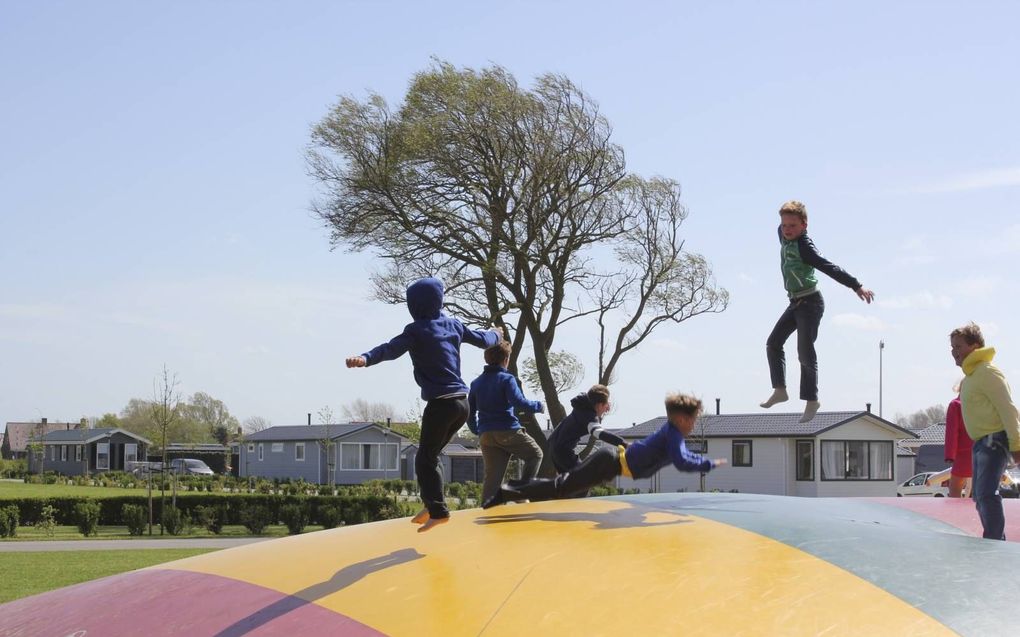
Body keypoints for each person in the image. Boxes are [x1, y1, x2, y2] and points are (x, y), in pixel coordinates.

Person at [346, 277, 499, 532]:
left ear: (413, 306)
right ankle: (431, 503)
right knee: (432, 454)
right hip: (462, 404)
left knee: (424, 459)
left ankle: (439, 512)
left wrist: (365, 358)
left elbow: (390, 349)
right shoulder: (454, 325)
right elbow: (484, 340)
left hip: (440, 405)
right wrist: (497, 333)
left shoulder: (415, 331)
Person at [484, 393, 727, 507]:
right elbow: (682, 461)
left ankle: (511, 491)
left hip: (609, 464)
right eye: (693, 419)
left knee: (565, 487)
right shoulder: (673, 436)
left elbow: (685, 455)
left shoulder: (673, 434)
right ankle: (508, 492)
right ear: (681, 419)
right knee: (561, 488)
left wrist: (704, 460)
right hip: (607, 461)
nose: (694, 424)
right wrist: (708, 465)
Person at [759, 200, 875, 423]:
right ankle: (780, 389)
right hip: (794, 303)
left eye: (792, 226)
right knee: (773, 343)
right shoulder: (782, 234)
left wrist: (856, 285)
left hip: (811, 303)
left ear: (804, 226)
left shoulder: (805, 247)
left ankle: (812, 399)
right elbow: (785, 220)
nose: (787, 230)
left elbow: (828, 267)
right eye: (784, 225)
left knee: (804, 350)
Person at [950, 322, 1020, 540]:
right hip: (980, 442)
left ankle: (995, 540)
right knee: (979, 496)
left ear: (975, 346)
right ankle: (994, 537)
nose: (954, 351)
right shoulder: (970, 377)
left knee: (987, 494)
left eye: (959, 346)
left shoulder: (988, 372)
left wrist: (1017, 445)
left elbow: (1008, 408)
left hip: (994, 440)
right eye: (952, 347)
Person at [467, 341, 545, 505]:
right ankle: (521, 492)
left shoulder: (476, 383)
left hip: (486, 435)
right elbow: (519, 402)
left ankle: (487, 513)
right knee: (535, 454)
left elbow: (470, 412)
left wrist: (478, 430)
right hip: (507, 430)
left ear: (487, 358)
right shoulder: (507, 379)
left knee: (493, 479)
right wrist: (538, 406)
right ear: (506, 359)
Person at [547, 384, 613, 474]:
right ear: (599, 405)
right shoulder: (589, 416)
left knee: (571, 483)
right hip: (563, 451)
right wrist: (623, 443)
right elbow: (600, 433)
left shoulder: (582, 407)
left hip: (554, 445)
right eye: (606, 404)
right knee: (584, 479)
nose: (607, 408)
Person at [943, 386, 973, 498]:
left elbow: (952, 432)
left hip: (962, 453)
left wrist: (950, 455)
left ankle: (955, 512)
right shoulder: (982, 405)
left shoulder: (955, 405)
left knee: (955, 486)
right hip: (982, 450)